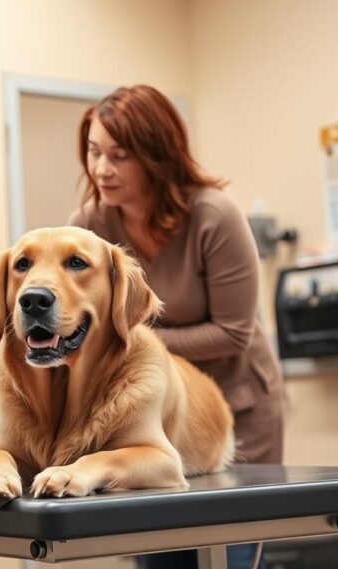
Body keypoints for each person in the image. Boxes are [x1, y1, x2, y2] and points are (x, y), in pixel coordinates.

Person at [68, 85, 284, 569]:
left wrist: (132, 340)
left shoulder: (213, 215)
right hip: (153, 417)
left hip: (234, 411)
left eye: (119, 156)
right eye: (93, 151)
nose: (101, 169)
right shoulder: (89, 223)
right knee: (161, 554)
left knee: (230, 552)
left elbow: (233, 333)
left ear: (157, 157)